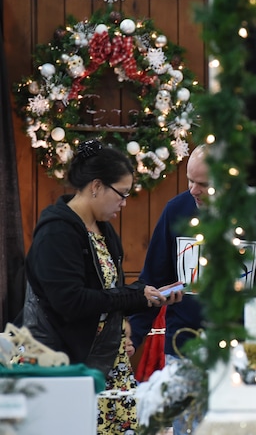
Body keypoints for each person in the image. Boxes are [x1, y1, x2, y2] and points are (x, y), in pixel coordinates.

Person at [20, 139, 181, 434]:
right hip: (65, 361)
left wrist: (149, 298)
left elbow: (106, 295)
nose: (124, 202)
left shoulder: (103, 229)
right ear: (96, 186)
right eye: (122, 194)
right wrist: (133, 294)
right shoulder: (57, 232)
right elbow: (71, 302)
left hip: (105, 358)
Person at [128, 143, 256, 434]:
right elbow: (152, 279)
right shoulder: (176, 210)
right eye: (189, 180)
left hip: (246, 349)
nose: (193, 190)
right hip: (185, 346)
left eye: (202, 184)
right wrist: (133, 336)